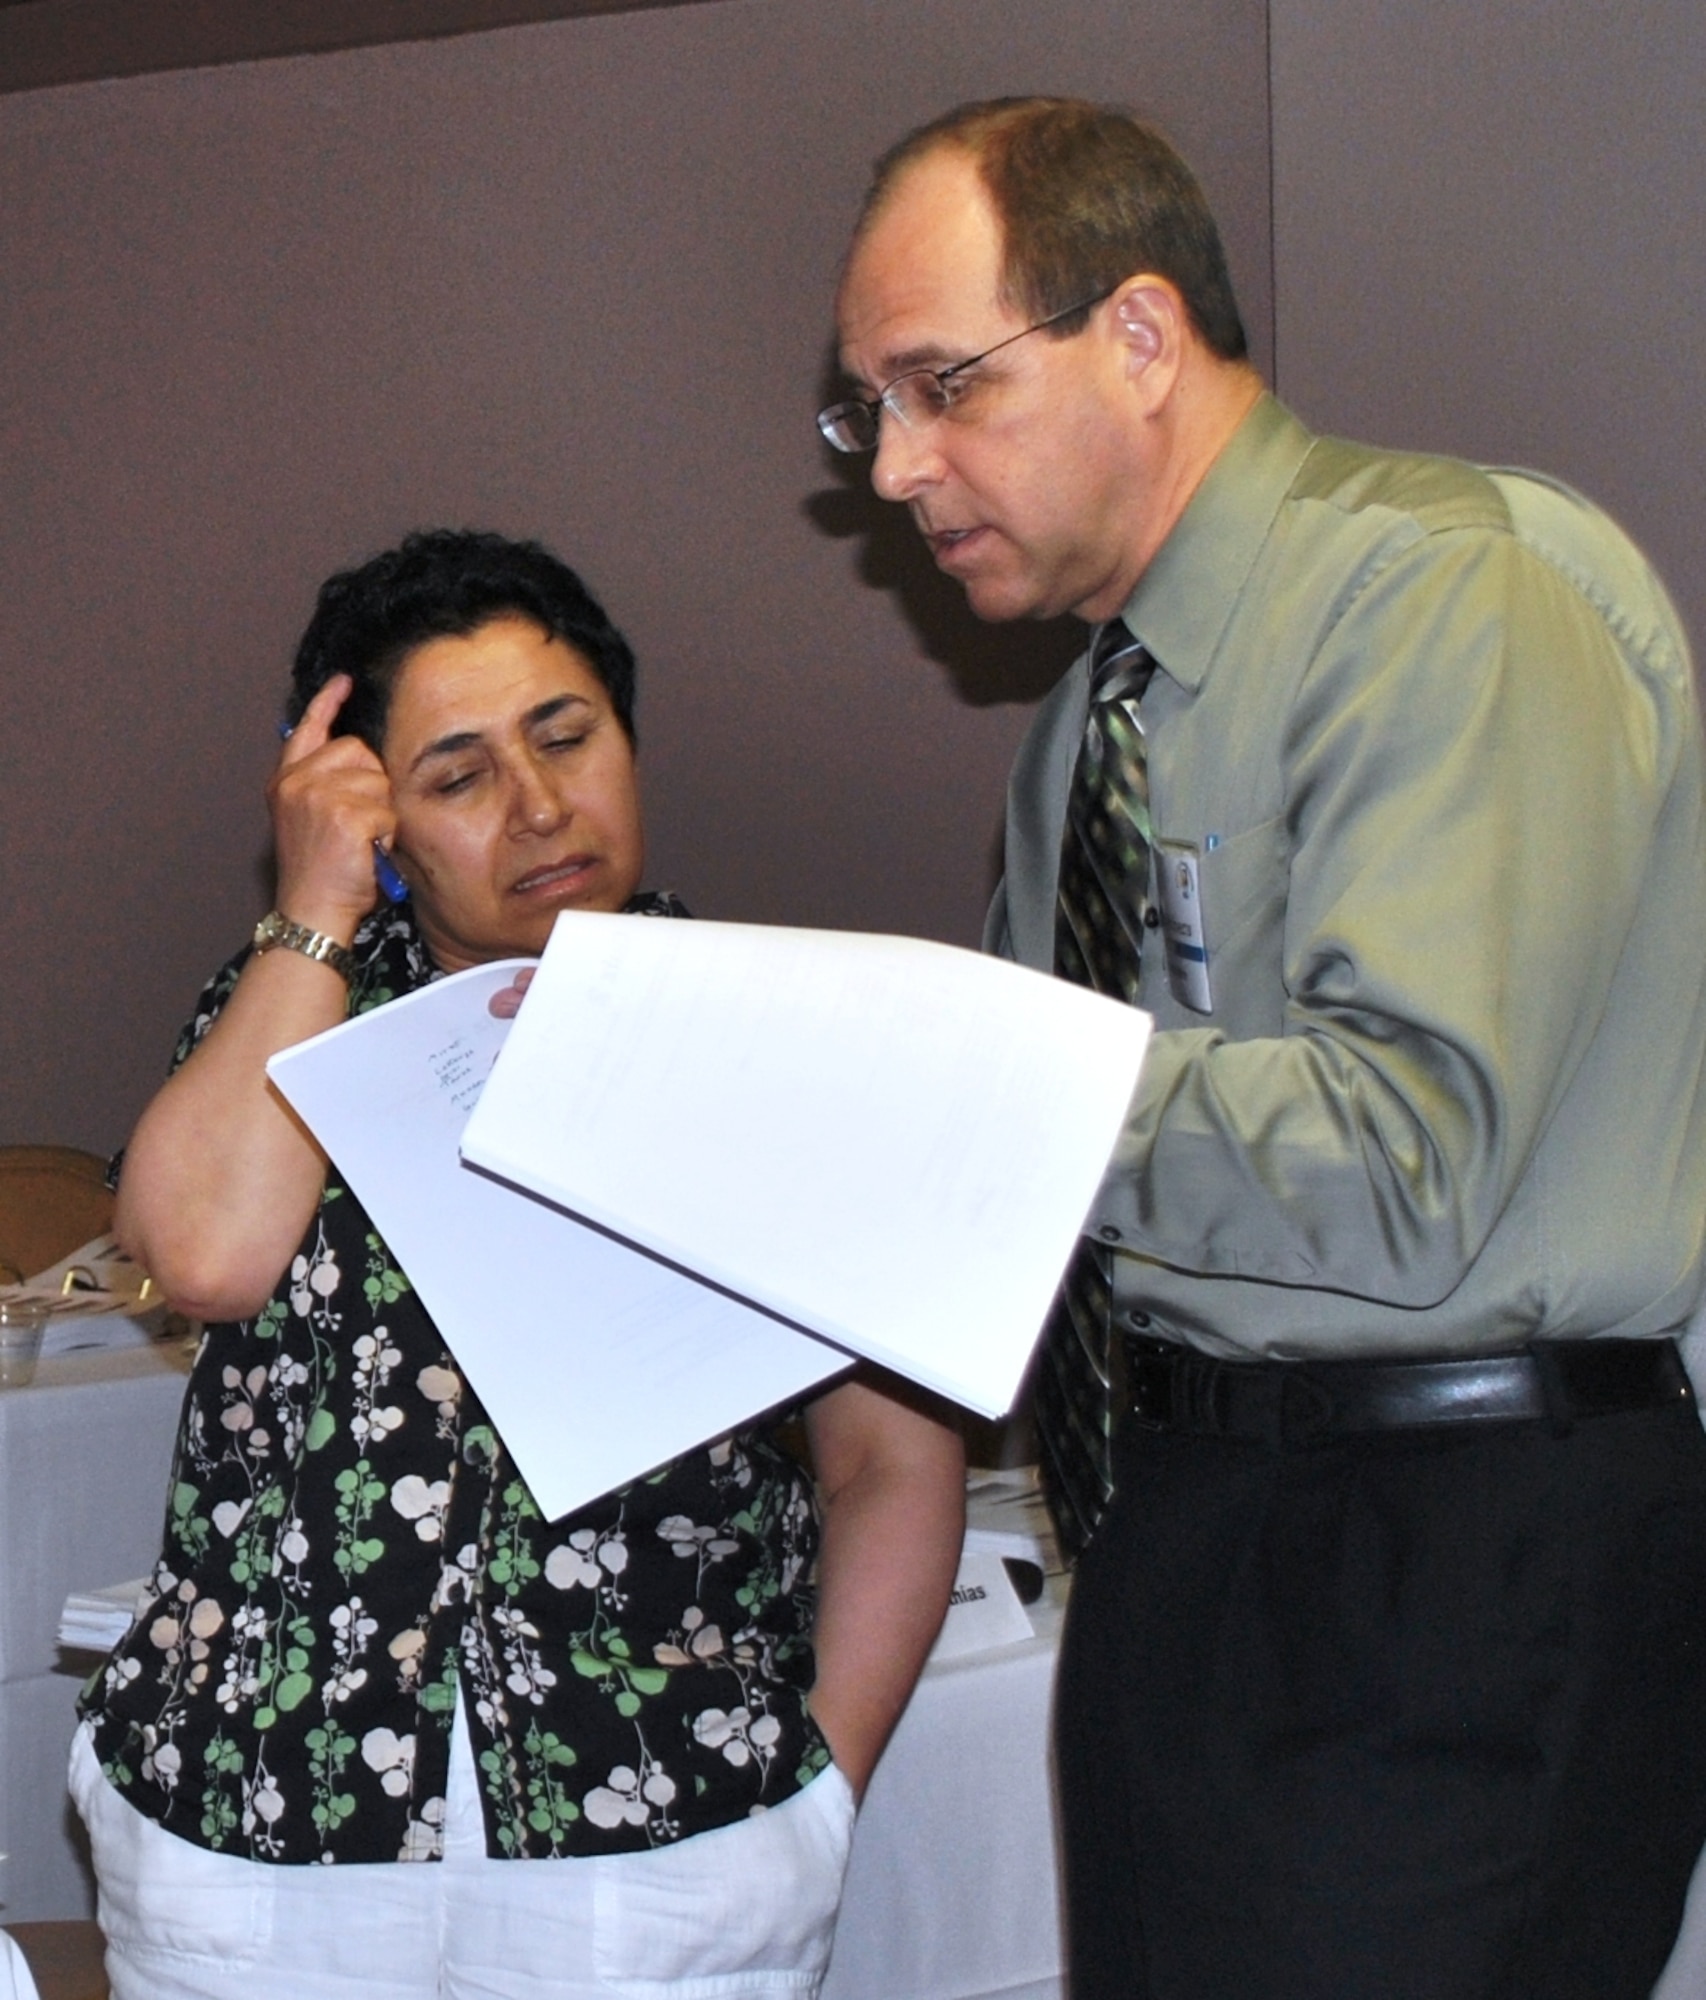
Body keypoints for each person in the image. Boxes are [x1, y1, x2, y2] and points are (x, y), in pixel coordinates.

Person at [824, 97, 1706, 1999]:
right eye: (867, 411)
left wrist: (970, 1081)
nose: (895, 467)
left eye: (936, 387)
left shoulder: (1446, 593)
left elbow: (1406, 1165)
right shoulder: (1088, 724)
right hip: (1188, 1530)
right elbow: (1026, 1185)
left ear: (1137, 336)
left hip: (1461, 1547)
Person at [77, 528, 965, 2000]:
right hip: (255, 1825)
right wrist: (312, 911)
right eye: (458, 775)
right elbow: (207, 1258)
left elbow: (891, 1462)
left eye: (569, 738)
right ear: (376, 818)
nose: (541, 806)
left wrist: (820, 1791)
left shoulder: (775, 1040)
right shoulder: (293, 1012)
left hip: (663, 1836)